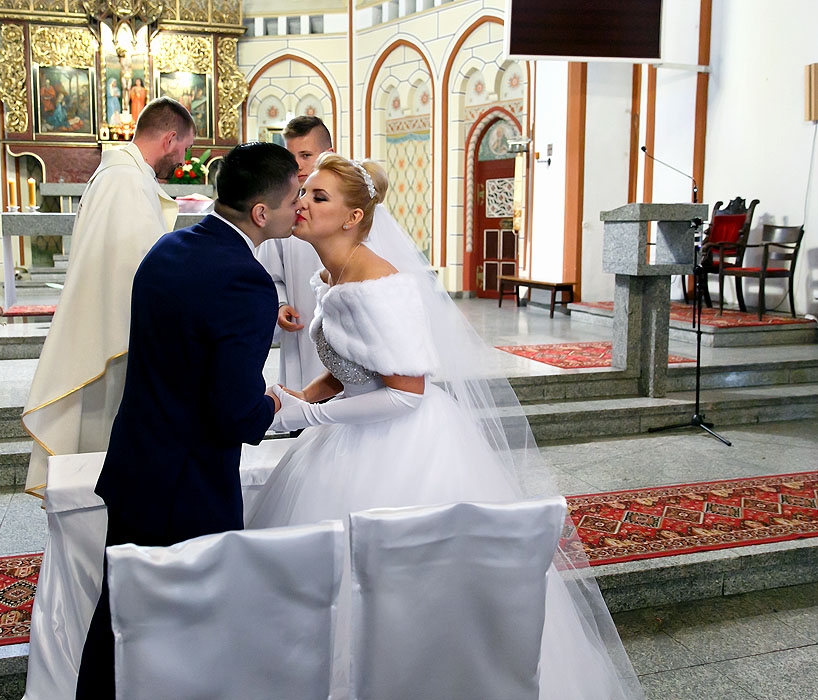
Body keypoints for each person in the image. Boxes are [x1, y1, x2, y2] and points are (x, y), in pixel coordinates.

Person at [247, 153, 645, 700]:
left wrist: (308, 414)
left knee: (404, 590)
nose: (302, 204)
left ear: (353, 217)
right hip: (352, 430)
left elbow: (405, 394)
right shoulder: (329, 274)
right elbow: (350, 366)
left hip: (402, 443)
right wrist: (297, 399)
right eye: (304, 193)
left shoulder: (377, 284)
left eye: (319, 197)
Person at [74, 142, 301, 698]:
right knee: (195, 620)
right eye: (296, 196)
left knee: (119, 615)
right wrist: (273, 403)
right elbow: (233, 412)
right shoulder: (246, 283)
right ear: (261, 213)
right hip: (189, 483)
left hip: (136, 463)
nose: (302, 206)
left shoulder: (170, 247)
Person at [21, 97, 195, 498]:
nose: (184, 159)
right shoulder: (125, 182)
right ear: (170, 139)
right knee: (102, 447)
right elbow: (144, 272)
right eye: (184, 148)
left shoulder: (122, 176)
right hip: (112, 342)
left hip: (105, 333)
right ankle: (96, 537)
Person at [254, 115, 333, 391]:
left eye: (306, 155)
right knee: (306, 406)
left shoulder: (353, 204)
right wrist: (280, 303)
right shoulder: (280, 210)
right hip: (301, 328)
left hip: (345, 326)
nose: (297, 164)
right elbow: (269, 274)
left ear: (328, 154)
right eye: (291, 156)